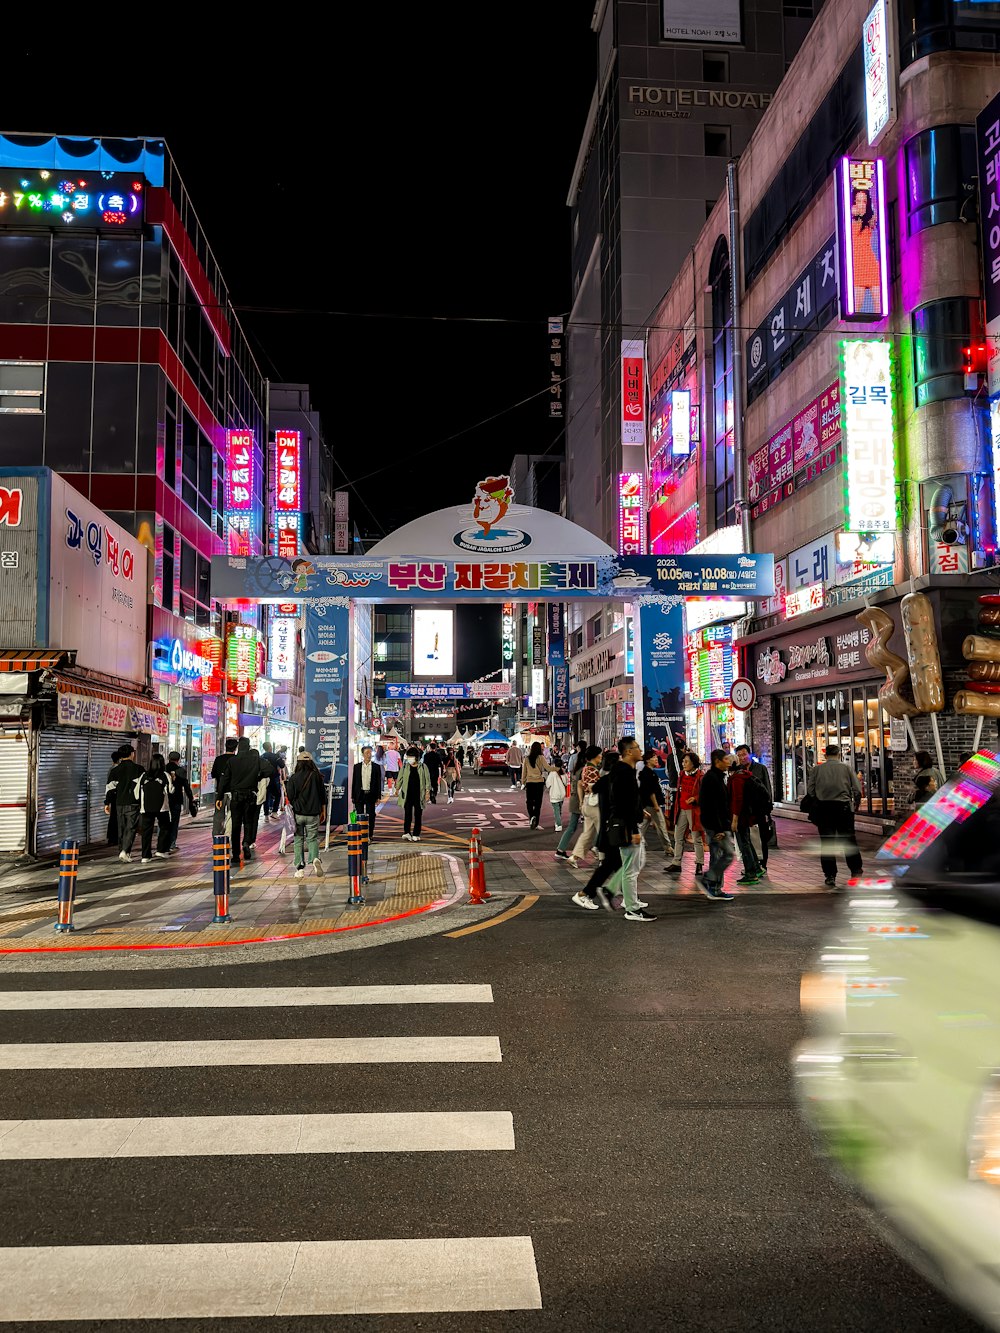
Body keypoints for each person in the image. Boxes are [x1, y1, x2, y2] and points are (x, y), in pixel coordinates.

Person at [573, 737, 655, 921]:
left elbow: (617, 797)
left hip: (617, 826)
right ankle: (629, 906)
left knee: (624, 866)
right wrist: (634, 829)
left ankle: (622, 900)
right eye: (637, 747)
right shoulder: (624, 773)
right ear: (628, 752)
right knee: (629, 869)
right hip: (623, 827)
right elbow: (624, 804)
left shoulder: (621, 772)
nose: (640, 750)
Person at [807, 743, 864, 889]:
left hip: (824, 809)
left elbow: (811, 791)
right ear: (839, 755)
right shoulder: (846, 768)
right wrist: (855, 804)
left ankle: (830, 875)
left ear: (825, 756)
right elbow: (857, 789)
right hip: (843, 808)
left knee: (827, 843)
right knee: (849, 840)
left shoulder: (817, 770)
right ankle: (855, 871)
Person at [696, 751, 737, 901]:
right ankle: (710, 881)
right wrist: (719, 829)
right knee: (726, 855)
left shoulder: (719, 777)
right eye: (726, 759)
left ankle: (715, 887)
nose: (729, 761)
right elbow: (710, 805)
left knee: (719, 854)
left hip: (720, 824)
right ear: (717, 761)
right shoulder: (711, 779)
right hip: (715, 825)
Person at [217, 736, 262, 867]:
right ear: (248, 747)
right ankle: (246, 843)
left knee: (236, 826)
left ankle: (236, 855)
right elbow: (269, 770)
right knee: (248, 822)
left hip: (236, 797)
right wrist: (257, 777)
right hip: (250, 796)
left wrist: (219, 797)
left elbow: (224, 780)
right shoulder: (255, 760)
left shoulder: (232, 761)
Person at [284, 751, 326, 878]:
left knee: (298, 840)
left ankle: (300, 868)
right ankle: (314, 859)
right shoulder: (316, 776)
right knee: (312, 838)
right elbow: (322, 796)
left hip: (298, 814)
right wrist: (323, 810)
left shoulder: (294, 777)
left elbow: (290, 797)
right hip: (313, 813)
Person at [728, 751, 765, 886]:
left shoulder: (736, 779)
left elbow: (737, 799)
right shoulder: (744, 775)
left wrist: (735, 819)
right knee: (747, 842)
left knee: (744, 843)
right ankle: (756, 868)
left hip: (740, 816)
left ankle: (750, 873)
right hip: (746, 814)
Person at [735, 744, 775, 868]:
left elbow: (767, 788)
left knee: (762, 837)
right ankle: (752, 864)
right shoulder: (738, 771)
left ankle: (763, 863)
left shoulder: (760, 768)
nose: (742, 758)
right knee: (748, 838)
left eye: (744, 754)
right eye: (739, 755)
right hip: (745, 810)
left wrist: (768, 807)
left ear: (749, 754)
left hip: (759, 809)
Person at [562, 744, 603, 866]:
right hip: (594, 804)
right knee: (602, 832)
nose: (601, 757)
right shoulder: (592, 770)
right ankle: (603, 859)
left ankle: (574, 857)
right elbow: (592, 787)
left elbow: (580, 784)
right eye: (599, 755)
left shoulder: (585, 768)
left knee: (588, 834)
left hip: (587, 803)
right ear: (595, 756)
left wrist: (581, 801)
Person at [104, 742, 144, 863]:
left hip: (119, 803)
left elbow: (110, 788)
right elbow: (143, 787)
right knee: (131, 827)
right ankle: (125, 851)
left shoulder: (115, 770)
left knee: (121, 827)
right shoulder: (139, 769)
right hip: (133, 802)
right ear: (132, 754)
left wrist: (107, 803)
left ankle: (122, 851)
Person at [667, 751, 705, 875]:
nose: (683, 764)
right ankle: (676, 863)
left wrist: (695, 798)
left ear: (694, 763)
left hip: (694, 811)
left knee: (696, 838)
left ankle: (699, 863)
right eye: (683, 761)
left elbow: (705, 794)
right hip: (682, 809)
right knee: (678, 837)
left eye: (686, 761)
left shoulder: (700, 777)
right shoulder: (682, 775)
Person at [137, 753, 174, 863]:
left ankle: (145, 856)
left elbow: (136, 792)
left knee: (146, 832)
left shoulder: (144, 775)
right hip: (162, 807)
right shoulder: (165, 775)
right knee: (164, 828)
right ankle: (161, 850)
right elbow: (171, 790)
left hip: (146, 808)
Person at [638, 750, 671, 855]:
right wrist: (656, 805)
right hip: (651, 804)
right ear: (647, 760)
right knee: (661, 826)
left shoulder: (647, 772)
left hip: (646, 804)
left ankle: (636, 843)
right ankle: (668, 847)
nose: (656, 759)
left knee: (643, 826)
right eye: (653, 757)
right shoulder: (648, 773)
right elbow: (650, 791)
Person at [396, 745, 430, 841]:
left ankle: (416, 834)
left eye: (412, 757)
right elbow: (400, 778)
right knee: (407, 814)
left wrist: (427, 792)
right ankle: (407, 832)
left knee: (418, 814)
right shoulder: (405, 767)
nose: (410, 759)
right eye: (408, 757)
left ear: (416, 757)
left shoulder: (423, 767)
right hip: (407, 794)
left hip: (419, 795)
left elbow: (427, 780)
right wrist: (397, 788)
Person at [351, 744, 382, 841]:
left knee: (371, 815)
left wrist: (378, 796)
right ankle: (361, 834)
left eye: (370, 753)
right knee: (359, 815)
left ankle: (370, 834)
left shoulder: (376, 767)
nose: (368, 755)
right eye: (366, 753)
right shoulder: (357, 767)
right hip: (359, 794)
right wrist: (353, 796)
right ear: (362, 754)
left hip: (371, 794)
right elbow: (354, 782)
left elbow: (378, 782)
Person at [164, 751, 194, 853]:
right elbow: (186, 786)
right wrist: (191, 798)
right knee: (174, 822)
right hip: (176, 799)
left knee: (163, 821)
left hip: (164, 799)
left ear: (168, 758)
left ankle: (162, 843)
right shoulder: (180, 770)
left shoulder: (163, 769)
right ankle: (172, 844)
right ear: (178, 759)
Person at [523, 741, 554, 829]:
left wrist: (523, 782)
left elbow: (524, 772)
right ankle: (536, 823)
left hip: (529, 783)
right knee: (538, 803)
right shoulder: (541, 757)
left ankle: (531, 816)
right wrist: (557, 769)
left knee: (529, 801)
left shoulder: (526, 758)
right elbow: (547, 768)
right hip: (539, 783)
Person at [105, 745, 126, 845]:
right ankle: (114, 838)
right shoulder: (116, 770)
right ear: (120, 759)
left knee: (113, 817)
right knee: (116, 817)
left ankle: (112, 838)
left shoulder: (111, 769)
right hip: (116, 796)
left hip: (112, 796)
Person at [262, 741, 286, 821]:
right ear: (270, 747)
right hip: (274, 778)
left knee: (266, 796)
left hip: (264, 779)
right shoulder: (275, 756)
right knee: (278, 795)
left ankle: (266, 815)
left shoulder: (261, 756)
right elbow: (282, 765)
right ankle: (274, 812)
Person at [545, 758, 568, 832]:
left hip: (554, 794)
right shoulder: (563, 772)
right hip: (562, 794)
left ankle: (558, 824)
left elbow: (548, 784)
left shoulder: (552, 773)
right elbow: (566, 782)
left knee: (556, 811)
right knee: (559, 809)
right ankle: (557, 823)